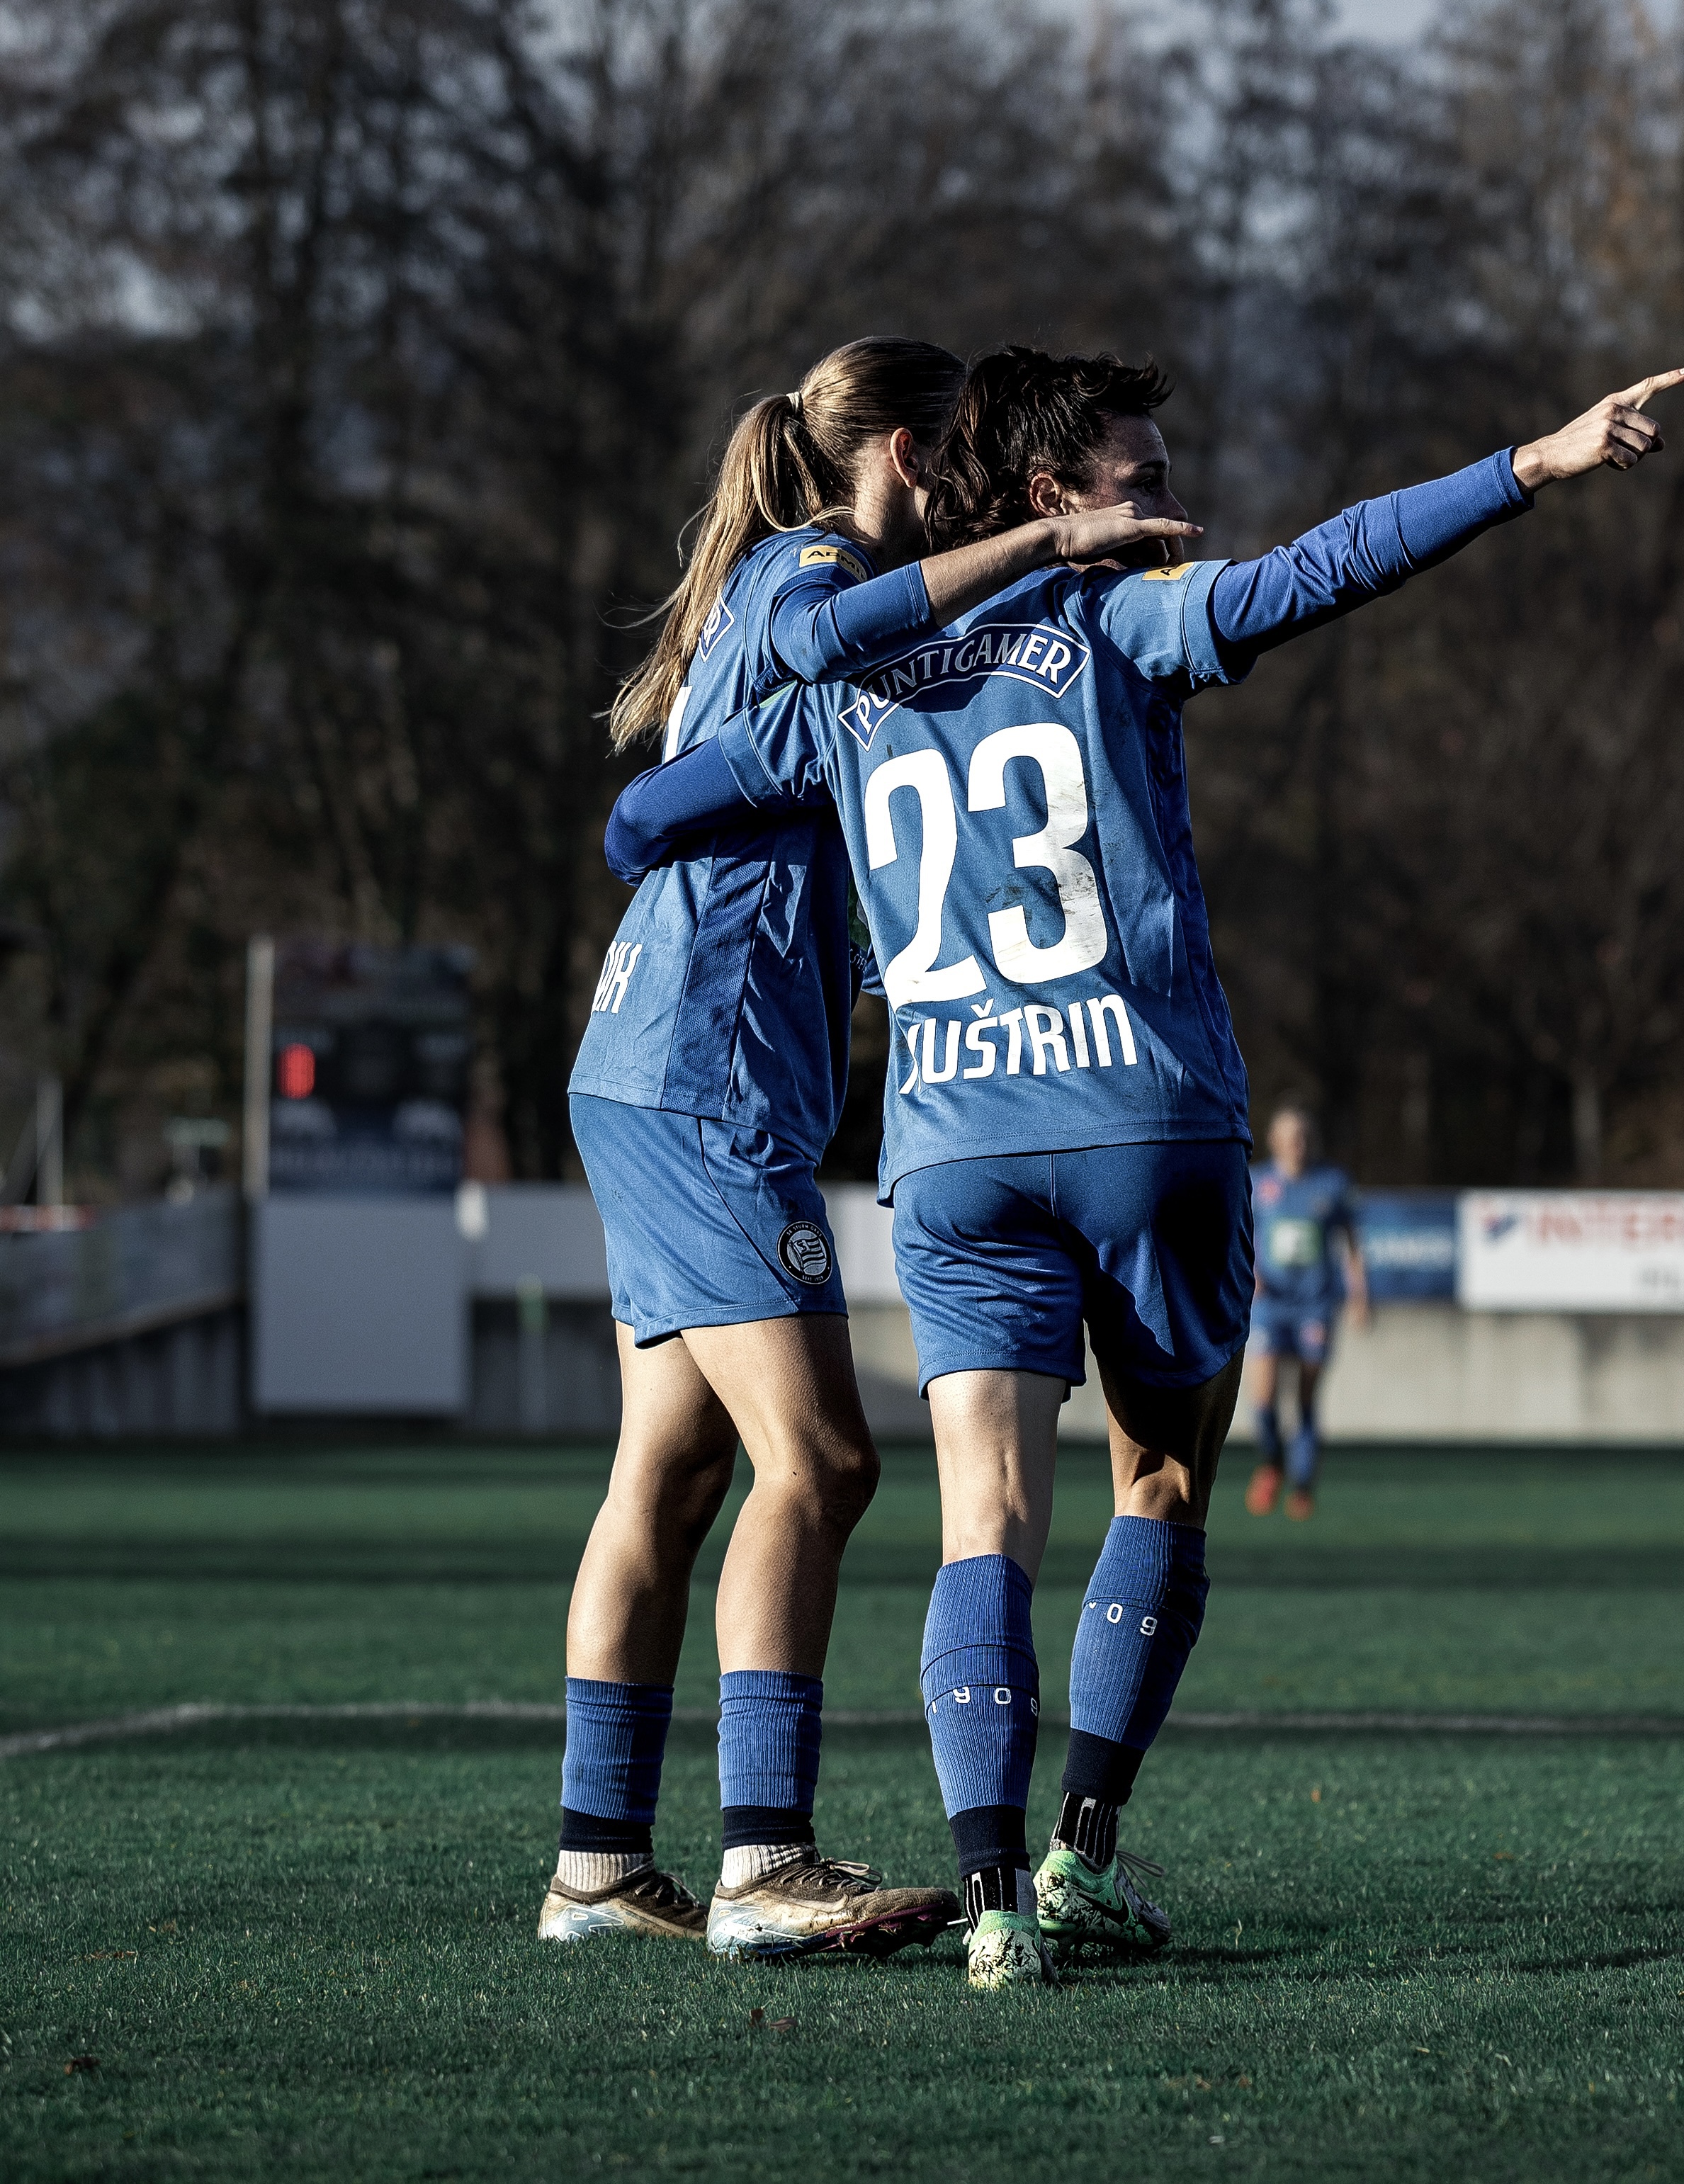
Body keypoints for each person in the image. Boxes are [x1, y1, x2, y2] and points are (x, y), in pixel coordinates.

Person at [604, 344, 1684, 1987]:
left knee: (982, 1516)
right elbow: (1329, 566)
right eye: (1146, 475)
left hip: (953, 1148)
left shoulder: (848, 683)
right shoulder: (1119, 619)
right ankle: (1081, 1854)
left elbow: (643, 822)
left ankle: (988, 1905)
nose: (1171, 501)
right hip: (1143, 1120)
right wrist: (1526, 466)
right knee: (1162, 1484)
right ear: (1051, 496)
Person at [538, 336, 1200, 1956]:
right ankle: (762, 1859)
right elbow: (823, 649)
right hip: (703, 1073)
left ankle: (596, 1862)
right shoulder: (815, 570)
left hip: (649, 1061)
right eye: (955, 451)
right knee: (821, 1462)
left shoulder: (779, 584)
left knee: (671, 1468)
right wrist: (1051, 540)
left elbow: (670, 812)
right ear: (905, 451)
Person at [1243, 1104, 1369, 1521]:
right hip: (1269, 1306)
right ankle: (1272, 1463)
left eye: (1303, 1135)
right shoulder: (1257, 1183)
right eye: (1289, 1136)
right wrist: (1250, 1274)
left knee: (1306, 1400)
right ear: (1274, 1140)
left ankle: (1302, 1484)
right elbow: (1238, 1237)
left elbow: (1352, 1243)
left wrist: (1360, 1296)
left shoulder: (1332, 1184)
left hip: (1315, 1305)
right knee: (1263, 1398)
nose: (1297, 1144)